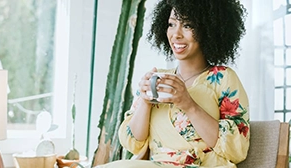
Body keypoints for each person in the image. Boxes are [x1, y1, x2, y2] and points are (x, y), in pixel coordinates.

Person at [96, 0, 249, 167]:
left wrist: (189, 104)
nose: (176, 34)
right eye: (171, 24)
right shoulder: (159, 79)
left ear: (208, 29)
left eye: (188, 25)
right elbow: (134, 142)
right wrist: (145, 102)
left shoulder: (224, 78)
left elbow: (237, 150)